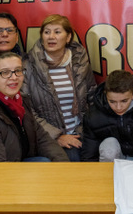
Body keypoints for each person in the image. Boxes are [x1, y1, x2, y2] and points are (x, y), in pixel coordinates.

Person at [23, 15, 96, 161]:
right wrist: (57, 136)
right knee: (72, 160)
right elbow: (27, 110)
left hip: (81, 131)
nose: (51, 36)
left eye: (57, 32)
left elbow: (92, 96)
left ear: (68, 37)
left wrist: (85, 130)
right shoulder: (28, 65)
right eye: (47, 32)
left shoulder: (80, 61)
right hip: (47, 137)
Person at [80, 70, 133, 161]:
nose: (118, 107)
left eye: (124, 101)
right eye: (112, 101)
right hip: (109, 161)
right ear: (105, 94)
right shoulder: (93, 116)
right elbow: (89, 154)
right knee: (109, 146)